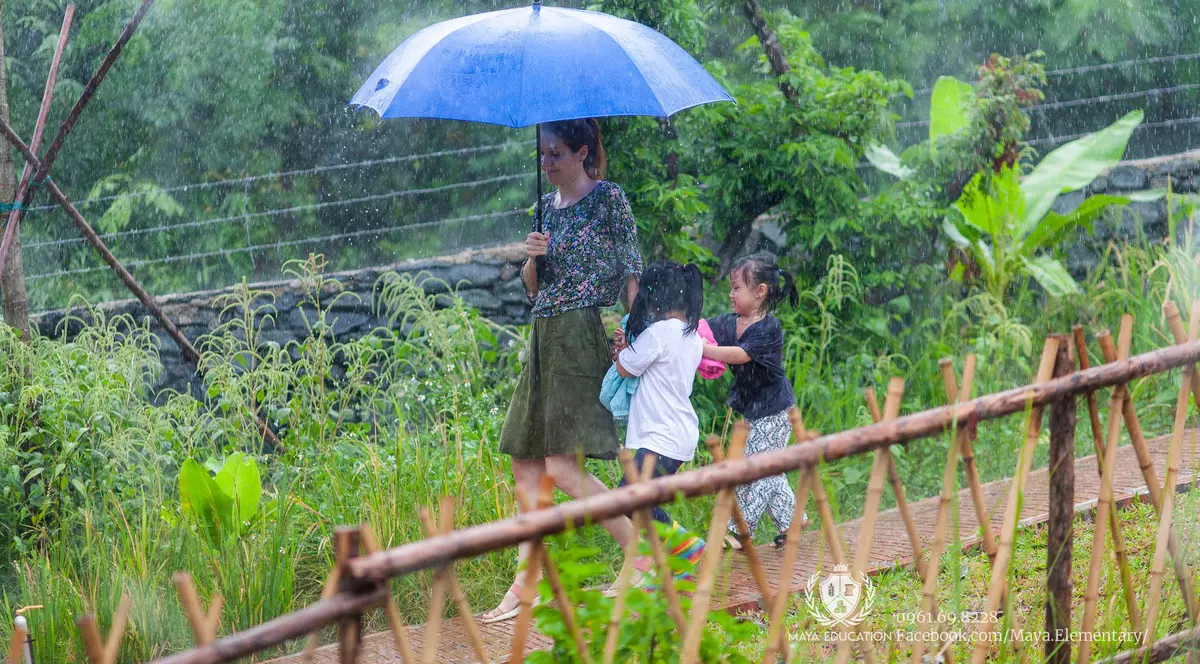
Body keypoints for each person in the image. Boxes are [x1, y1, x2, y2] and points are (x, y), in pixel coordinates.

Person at [482, 118, 643, 623]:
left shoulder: (608, 199)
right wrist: (532, 259)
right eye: (542, 154)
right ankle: (529, 583)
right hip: (543, 335)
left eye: (555, 153)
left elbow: (631, 272)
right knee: (525, 462)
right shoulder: (543, 210)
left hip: (581, 333)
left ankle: (641, 554)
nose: (546, 162)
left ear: (581, 151)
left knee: (563, 468)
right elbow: (534, 289)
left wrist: (640, 335)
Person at [611, 261, 710, 582]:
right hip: (678, 438)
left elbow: (626, 368)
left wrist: (622, 351)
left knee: (627, 497)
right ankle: (675, 561)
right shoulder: (690, 336)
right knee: (639, 499)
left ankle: (684, 545)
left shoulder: (657, 333)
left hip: (659, 438)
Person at [701, 252, 806, 550]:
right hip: (753, 411)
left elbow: (741, 355)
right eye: (731, 288)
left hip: (775, 411)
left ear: (760, 291)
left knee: (756, 468)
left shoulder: (769, 329)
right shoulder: (728, 324)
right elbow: (701, 329)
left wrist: (705, 350)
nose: (731, 294)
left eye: (737, 288)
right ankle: (792, 521)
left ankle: (737, 529)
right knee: (766, 467)